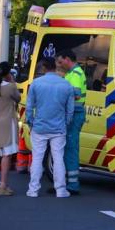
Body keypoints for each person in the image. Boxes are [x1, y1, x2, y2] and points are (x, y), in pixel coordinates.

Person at [25, 57, 74, 198]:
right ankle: (61, 190)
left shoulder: (36, 83)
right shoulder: (66, 85)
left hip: (39, 127)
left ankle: (33, 190)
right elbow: (70, 110)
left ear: (44, 68)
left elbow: (29, 107)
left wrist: (31, 122)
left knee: (37, 158)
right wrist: (65, 123)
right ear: (55, 67)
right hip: (58, 128)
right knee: (58, 158)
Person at [0, 62, 20, 196]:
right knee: (6, 154)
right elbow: (18, 98)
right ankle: (3, 185)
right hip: (7, 123)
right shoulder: (10, 87)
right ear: (8, 73)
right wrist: (13, 82)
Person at [56, 49, 86, 195]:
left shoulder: (75, 74)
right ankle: (67, 182)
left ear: (68, 59)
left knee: (70, 148)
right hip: (74, 114)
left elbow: (76, 94)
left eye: (61, 62)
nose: (60, 65)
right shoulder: (72, 73)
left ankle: (73, 184)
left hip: (74, 114)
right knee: (68, 148)